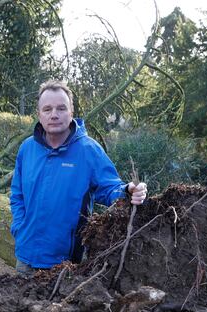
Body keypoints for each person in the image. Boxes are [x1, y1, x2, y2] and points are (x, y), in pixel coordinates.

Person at [10, 80, 147, 274]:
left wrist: (128, 191)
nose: (54, 115)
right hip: (25, 258)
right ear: (39, 114)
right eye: (47, 109)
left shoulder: (88, 150)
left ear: (71, 112)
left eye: (61, 108)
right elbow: (17, 195)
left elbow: (110, 189)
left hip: (66, 263)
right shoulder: (27, 149)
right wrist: (19, 228)